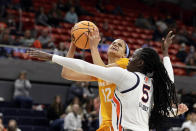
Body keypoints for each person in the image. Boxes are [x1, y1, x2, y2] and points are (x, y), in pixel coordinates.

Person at [28, 30, 189, 131]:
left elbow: (90, 67)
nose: (114, 45)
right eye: (113, 43)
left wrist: (52, 56)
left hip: (118, 126)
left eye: (120, 45)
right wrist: (74, 42)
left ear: (127, 57)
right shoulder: (146, 82)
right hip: (111, 124)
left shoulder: (124, 68)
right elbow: (67, 73)